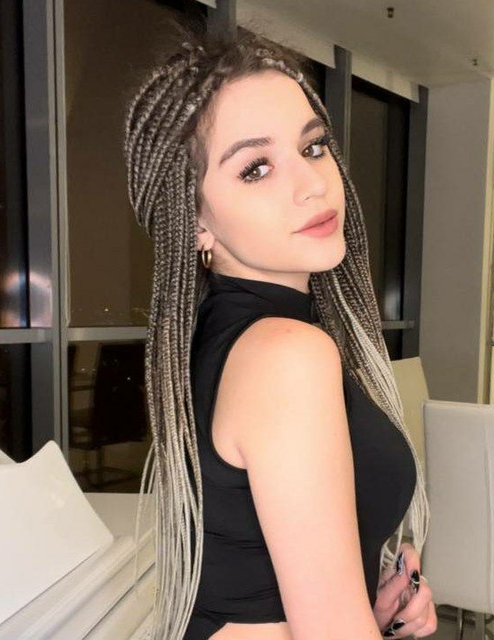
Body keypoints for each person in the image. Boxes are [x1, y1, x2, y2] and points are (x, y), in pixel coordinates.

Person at [124, 22, 436, 640]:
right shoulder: (285, 354)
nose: (314, 183)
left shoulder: (238, 338)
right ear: (195, 222)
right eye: (256, 168)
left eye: (313, 147)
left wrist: (364, 608)